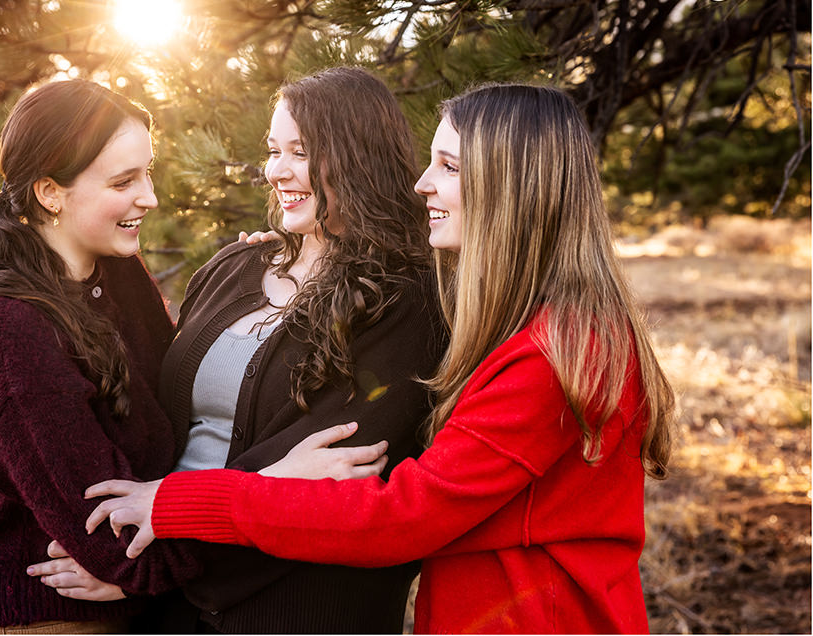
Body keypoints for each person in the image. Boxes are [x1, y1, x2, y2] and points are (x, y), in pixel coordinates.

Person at [82, 83, 678, 634]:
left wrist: (179, 507)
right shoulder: (527, 323)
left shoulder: (556, 354)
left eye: (448, 166)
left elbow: (400, 515)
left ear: (511, 187)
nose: (422, 182)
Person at [28, 67, 448, 633]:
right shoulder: (235, 266)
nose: (277, 170)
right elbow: (159, 419)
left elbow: (332, 475)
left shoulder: (407, 300)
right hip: (171, 597)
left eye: (300, 151)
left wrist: (158, 552)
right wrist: (141, 561)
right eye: (273, 150)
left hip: (297, 603)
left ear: (356, 156)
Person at [0, 79, 203, 632]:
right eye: (124, 181)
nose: (149, 197)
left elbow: (178, 407)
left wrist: (245, 287)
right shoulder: (7, 335)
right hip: (49, 622)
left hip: (136, 610)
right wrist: (270, 505)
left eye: (148, 172)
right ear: (50, 192)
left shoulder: (116, 274)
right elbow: (116, 544)